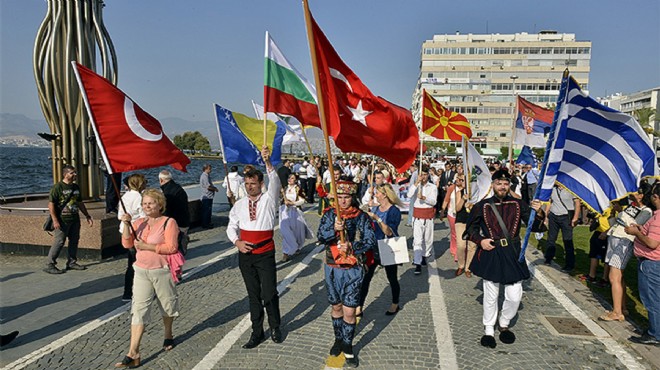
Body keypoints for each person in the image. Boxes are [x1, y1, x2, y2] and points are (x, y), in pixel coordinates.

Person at [465, 169, 544, 349]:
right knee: (491, 294)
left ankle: (504, 322)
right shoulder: (482, 205)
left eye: (506, 183)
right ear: (492, 185)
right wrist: (481, 240)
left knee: (515, 295)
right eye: (499, 183)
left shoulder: (518, 204)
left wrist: (538, 212)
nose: (502, 186)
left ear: (509, 185)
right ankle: (488, 329)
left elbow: (536, 227)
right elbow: (470, 230)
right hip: (492, 251)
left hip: (513, 251)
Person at [115, 189, 181, 368]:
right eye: (144, 204)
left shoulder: (169, 222)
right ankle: (133, 352)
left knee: (167, 305)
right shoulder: (139, 222)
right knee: (139, 309)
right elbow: (127, 243)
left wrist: (148, 246)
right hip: (141, 271)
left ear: (160, 204)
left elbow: (172, 247)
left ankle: (168, 334)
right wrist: (127, 225)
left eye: (150, 203)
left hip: (162, 270)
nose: (147, 206)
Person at [226, 146, 283, 349]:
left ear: (261, 184)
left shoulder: (269, 200)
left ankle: (275, 326)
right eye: (247, 184)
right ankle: (256, 332)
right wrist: (237, 242)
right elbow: (231, 227)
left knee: (269, 293)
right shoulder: (239, 205)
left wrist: (267, 162)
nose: (250, 187)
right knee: (253, 296)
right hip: (246, 255)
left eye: (254, 183)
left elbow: (274, 180)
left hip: (265, 253)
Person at [318, 180, 376, 367]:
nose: (343, 201)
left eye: (346, 197)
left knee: (349, 311)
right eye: (339, 197)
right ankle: (338, 339)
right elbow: (321, 236)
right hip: (332, 267)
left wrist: (352, 245)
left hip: (353, 270)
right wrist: (334, 230)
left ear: (353, 197)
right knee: (336, 308)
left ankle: (348, 345)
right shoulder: (329, 215)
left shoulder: (361, 217)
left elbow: (370, 241)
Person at [599, 188, 652, 322]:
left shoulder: (646, 211)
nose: (632, 193)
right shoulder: (629, 207)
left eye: (636, 192)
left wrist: (620, 213)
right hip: (615, 237)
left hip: (625, 241)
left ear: (641, 196)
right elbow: (617, 222)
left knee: (613, 275)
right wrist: (614, 216)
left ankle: (617, 312)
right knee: (618, 276)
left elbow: (633, 226)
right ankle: (621, 307)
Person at [625, 183, 660, 346]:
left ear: (656, 197)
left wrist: (637, 233)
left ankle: (655, 334)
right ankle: (655, 328)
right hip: (652, 262)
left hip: (651, 262)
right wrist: (641, 228)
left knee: (652, 299)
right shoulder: (656, 215)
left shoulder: (658, 218)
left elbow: (652, 243)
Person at [361, 183, 404, 316]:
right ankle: (359, 306)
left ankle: (395, 303)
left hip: (388, 246)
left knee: (391, 278)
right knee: (366, 278)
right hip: (374, 248)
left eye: (377, 193)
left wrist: (377, 218)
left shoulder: (394, 211)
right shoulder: (375, 208)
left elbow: (389, 232)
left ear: (384, 194)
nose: (375, 195)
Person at [44, 165, 93, 274]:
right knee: (59, 241)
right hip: (62, 220)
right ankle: (50, 264)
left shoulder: (76, 187)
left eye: (75, 172)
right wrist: (55, 220)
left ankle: (71, 262)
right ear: (66, 174)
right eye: (72, 173)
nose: (75, 174)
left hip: (74, 219)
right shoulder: (57, 187)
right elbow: (51, 204)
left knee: (74, 240)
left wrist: (87, 215)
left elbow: (80, 202)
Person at [117, 174, 147, 301]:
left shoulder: (125, 196)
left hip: (124, 229)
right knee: (137, 262)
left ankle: (127, 292)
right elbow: (143, 216)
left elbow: (120, 215)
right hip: (136, 231)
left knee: (131, 261)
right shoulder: (139, 197)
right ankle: (133, 291)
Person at [543, 184, 581, 272]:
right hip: (553, 215)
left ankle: (569, 264)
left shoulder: (571, 188)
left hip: (566, 217)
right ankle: (548, 258)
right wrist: (546, 213)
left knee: (567, 240)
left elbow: (577, 204)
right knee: (551, 238)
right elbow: (550, 201)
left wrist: (575, 218)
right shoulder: (553, 189)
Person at [408, 165, 437, 275]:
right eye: (421, 175)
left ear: (428, 175)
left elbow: (434, 202)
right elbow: (409, 194)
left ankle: (425, 256)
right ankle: (417, 262)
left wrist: (424, 198)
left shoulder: (432, 187)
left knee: (428, 239)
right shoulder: (416, 186)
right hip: (418, 217)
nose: (423, 177)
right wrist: (416, 184)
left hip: (428, 216)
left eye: (425, 175)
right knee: (418, 240)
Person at [280, 173, 313, 262]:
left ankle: (297, 246)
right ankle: (285, 253)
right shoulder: (284, 188)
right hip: (285, 212)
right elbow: (279, 199)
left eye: (293, 178)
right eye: (289, 178)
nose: (290, 179)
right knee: (286, 232)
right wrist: (281, 196)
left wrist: (293, 203)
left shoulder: (298, 188)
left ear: (296, 180)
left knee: (298, 232)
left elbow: (303, 200)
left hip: (295, 212)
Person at [451, 174, 477, 278]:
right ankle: (461, 265)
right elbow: (457, 209)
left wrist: (472, 204)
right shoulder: (459, 192)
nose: (463, 182)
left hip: (473, 222)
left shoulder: (476, 193)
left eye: (465, 180)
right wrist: (462, 199)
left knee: (472, 246)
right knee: (461, 245)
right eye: (462, 180)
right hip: (461, 221)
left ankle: (468, 267)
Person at [159, 170, 191, 255]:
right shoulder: (178, 188)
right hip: (184, 220)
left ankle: (176, 262)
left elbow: (166, 210)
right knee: (179, 244)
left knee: (175, 247)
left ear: (161, 180)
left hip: (175, 222)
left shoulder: (167, 192)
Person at [199, 164, 218, 229]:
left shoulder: (207, 176)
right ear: (206, 169)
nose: (210, 170)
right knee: (206, 211)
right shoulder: (204, 176)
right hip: (206, 196)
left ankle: (208, 223)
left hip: (209, 196)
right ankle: (205, 224)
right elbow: (208, 187)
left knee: (208, 210)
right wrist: (215, 189)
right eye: (209, 169)